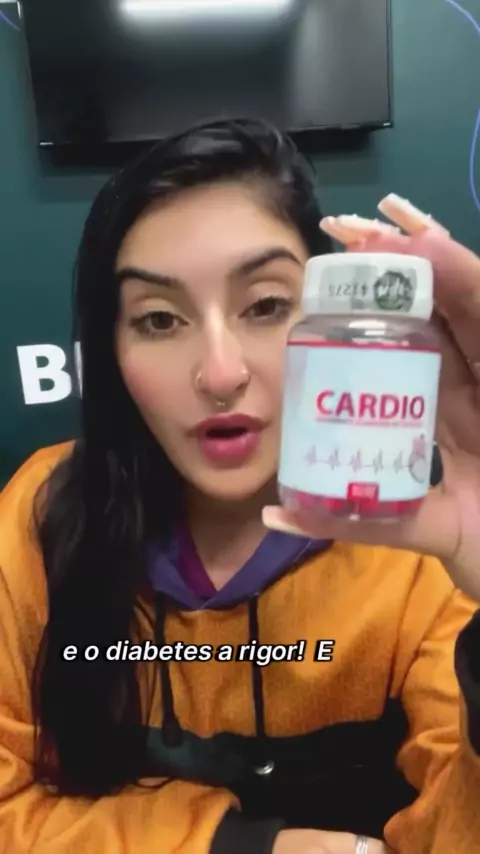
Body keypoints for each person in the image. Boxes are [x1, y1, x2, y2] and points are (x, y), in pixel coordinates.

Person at [0, 118, 479, 854]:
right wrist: (240, 845)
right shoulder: (38, 519)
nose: (220, 373)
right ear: (111, 350)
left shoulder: (420, 554)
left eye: (266, 306)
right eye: (160, 319)